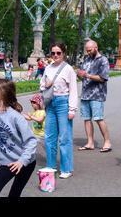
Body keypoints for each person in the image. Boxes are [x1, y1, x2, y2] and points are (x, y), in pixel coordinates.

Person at [40, 42, 77, 179]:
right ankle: (51, 165)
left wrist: (72, 109)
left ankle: (66, 168)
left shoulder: (68, 69)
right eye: (53, 53)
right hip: (50, 104)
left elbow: (73, 90)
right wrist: (46, 84)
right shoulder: (48, 68)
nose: (55, 55)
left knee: (64, 138)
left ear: (63, 54)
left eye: (58, 53)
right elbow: (42, 85)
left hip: (63, 103)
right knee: (49, 136)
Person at [76, 40, 112, 153]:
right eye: (87, 50)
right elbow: (83, 77)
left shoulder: (103, 60)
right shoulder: (86, 59)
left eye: (90, 50)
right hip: (85, 93)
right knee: (86, 119)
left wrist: (87, 75)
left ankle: (107, 142)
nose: (88, 52)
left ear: (96, 47)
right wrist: (80, 75)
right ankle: (90, 142)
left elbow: (103, 78)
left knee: (98, 118)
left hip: (97, 94)